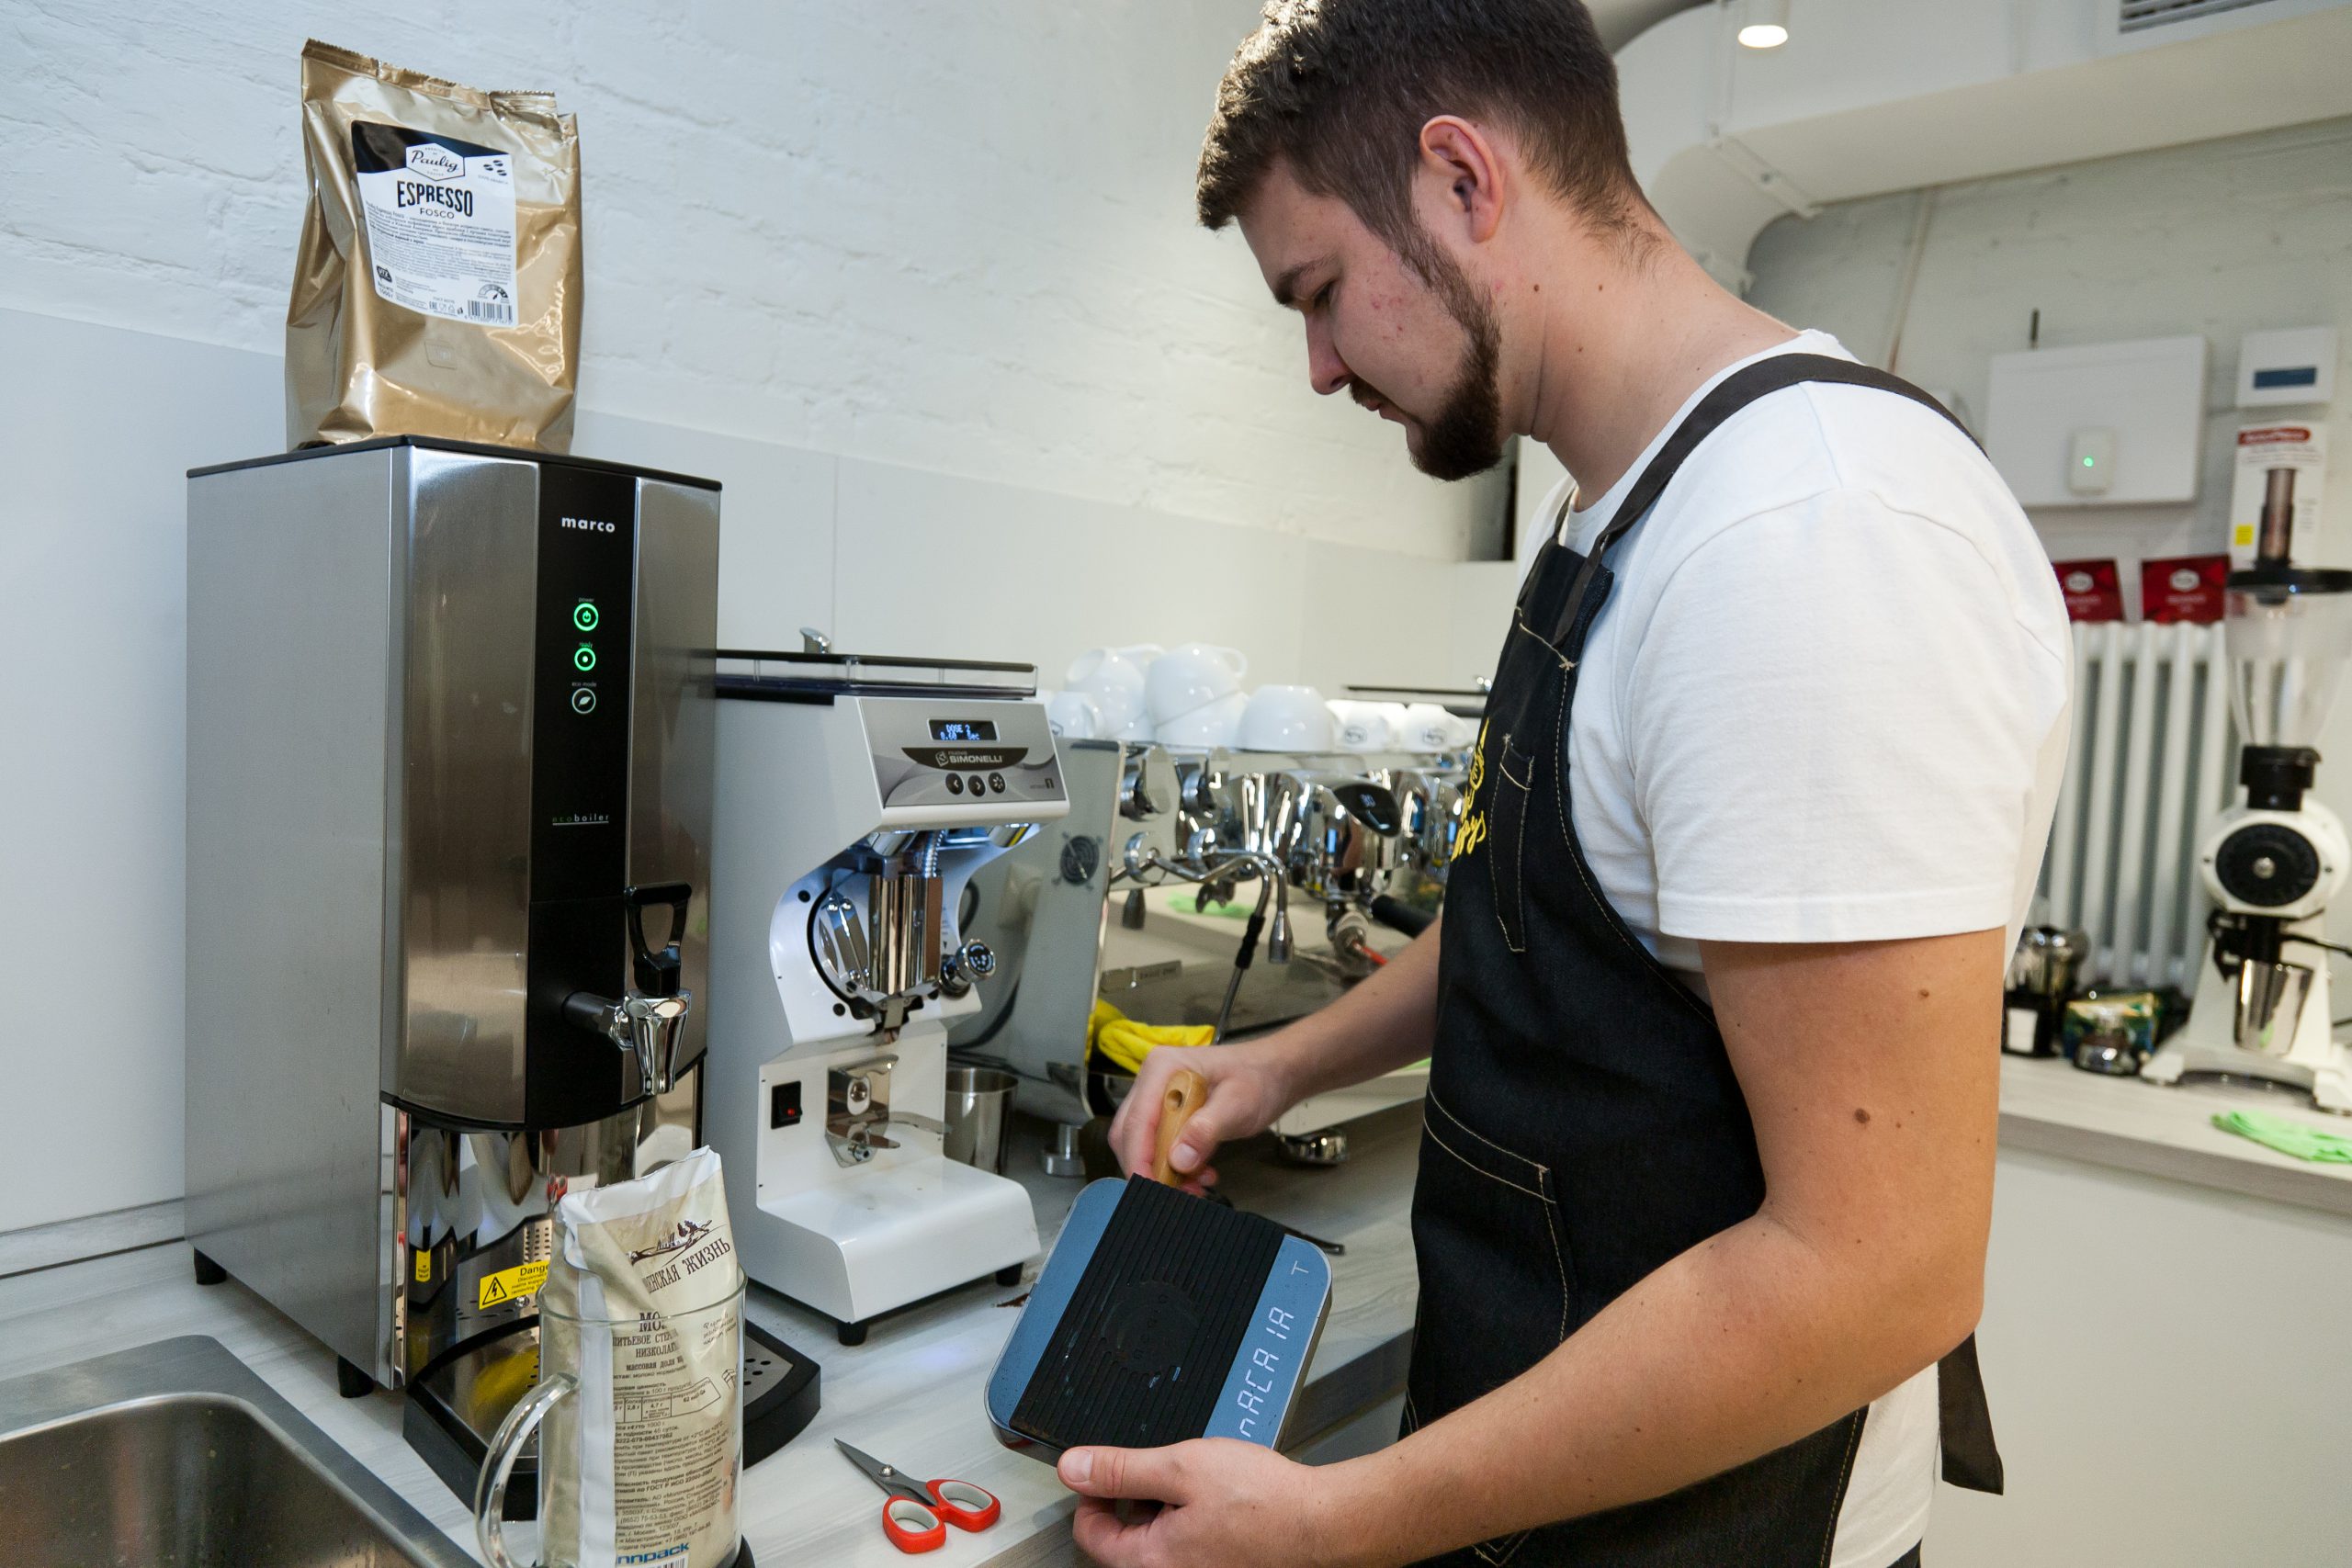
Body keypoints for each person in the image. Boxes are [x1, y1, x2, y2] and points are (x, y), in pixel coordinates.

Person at [1057, 4, 2072, 1565]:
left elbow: (1878, 1270)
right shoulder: (1627, 510)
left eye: (1319, 294)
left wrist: (1340, 1523)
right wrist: (1283, 1064)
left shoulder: (1803, 543)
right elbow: (1551, 908)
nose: (1317, 368)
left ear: (1463, 178)